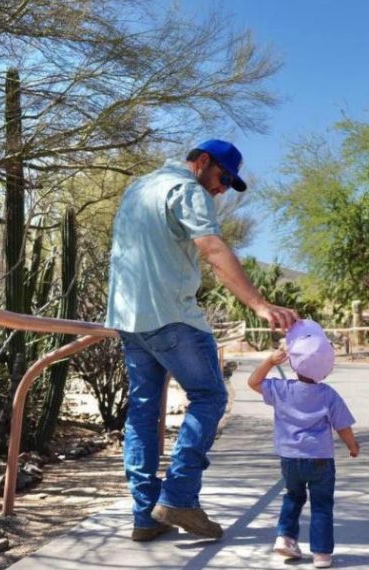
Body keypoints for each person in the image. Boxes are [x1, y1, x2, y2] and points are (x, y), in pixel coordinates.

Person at [106, 139, 299, 542]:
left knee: (143, 413)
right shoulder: (187, 189)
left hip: (129, 319)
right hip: (173, 318)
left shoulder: (139, 187)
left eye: (229, 184)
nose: (222, 189)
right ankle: (178, 496)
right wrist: (259, 304)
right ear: (203, 162)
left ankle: (146, 514)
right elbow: (211, 248)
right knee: (209, 397)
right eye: (223, 178)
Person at [247, 319, 358, 569]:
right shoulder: (328, 394)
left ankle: (285, 537)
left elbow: (253, 382)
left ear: (293, 362)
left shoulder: (281, 389)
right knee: (322, 505)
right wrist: (352, 446)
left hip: (290, 459)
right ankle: (321, 554)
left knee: (293, 497)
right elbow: (342, 426)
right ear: (326, 368)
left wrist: (269, 362)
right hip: (320, 459)